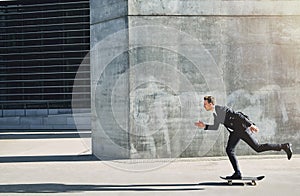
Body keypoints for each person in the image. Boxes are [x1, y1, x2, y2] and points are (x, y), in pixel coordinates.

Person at [195, 95, 293, 179]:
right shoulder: (215, 114)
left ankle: (284, 146)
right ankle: (237, 173)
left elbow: (238, 115)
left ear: (211, 104)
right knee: (229, 150)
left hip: (242, 129)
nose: (204, 106)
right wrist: (204, 126)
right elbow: (215, 127)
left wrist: (250, 125)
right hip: (235, 132)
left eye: (205, 104)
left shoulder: (221, 109)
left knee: (258, 148)